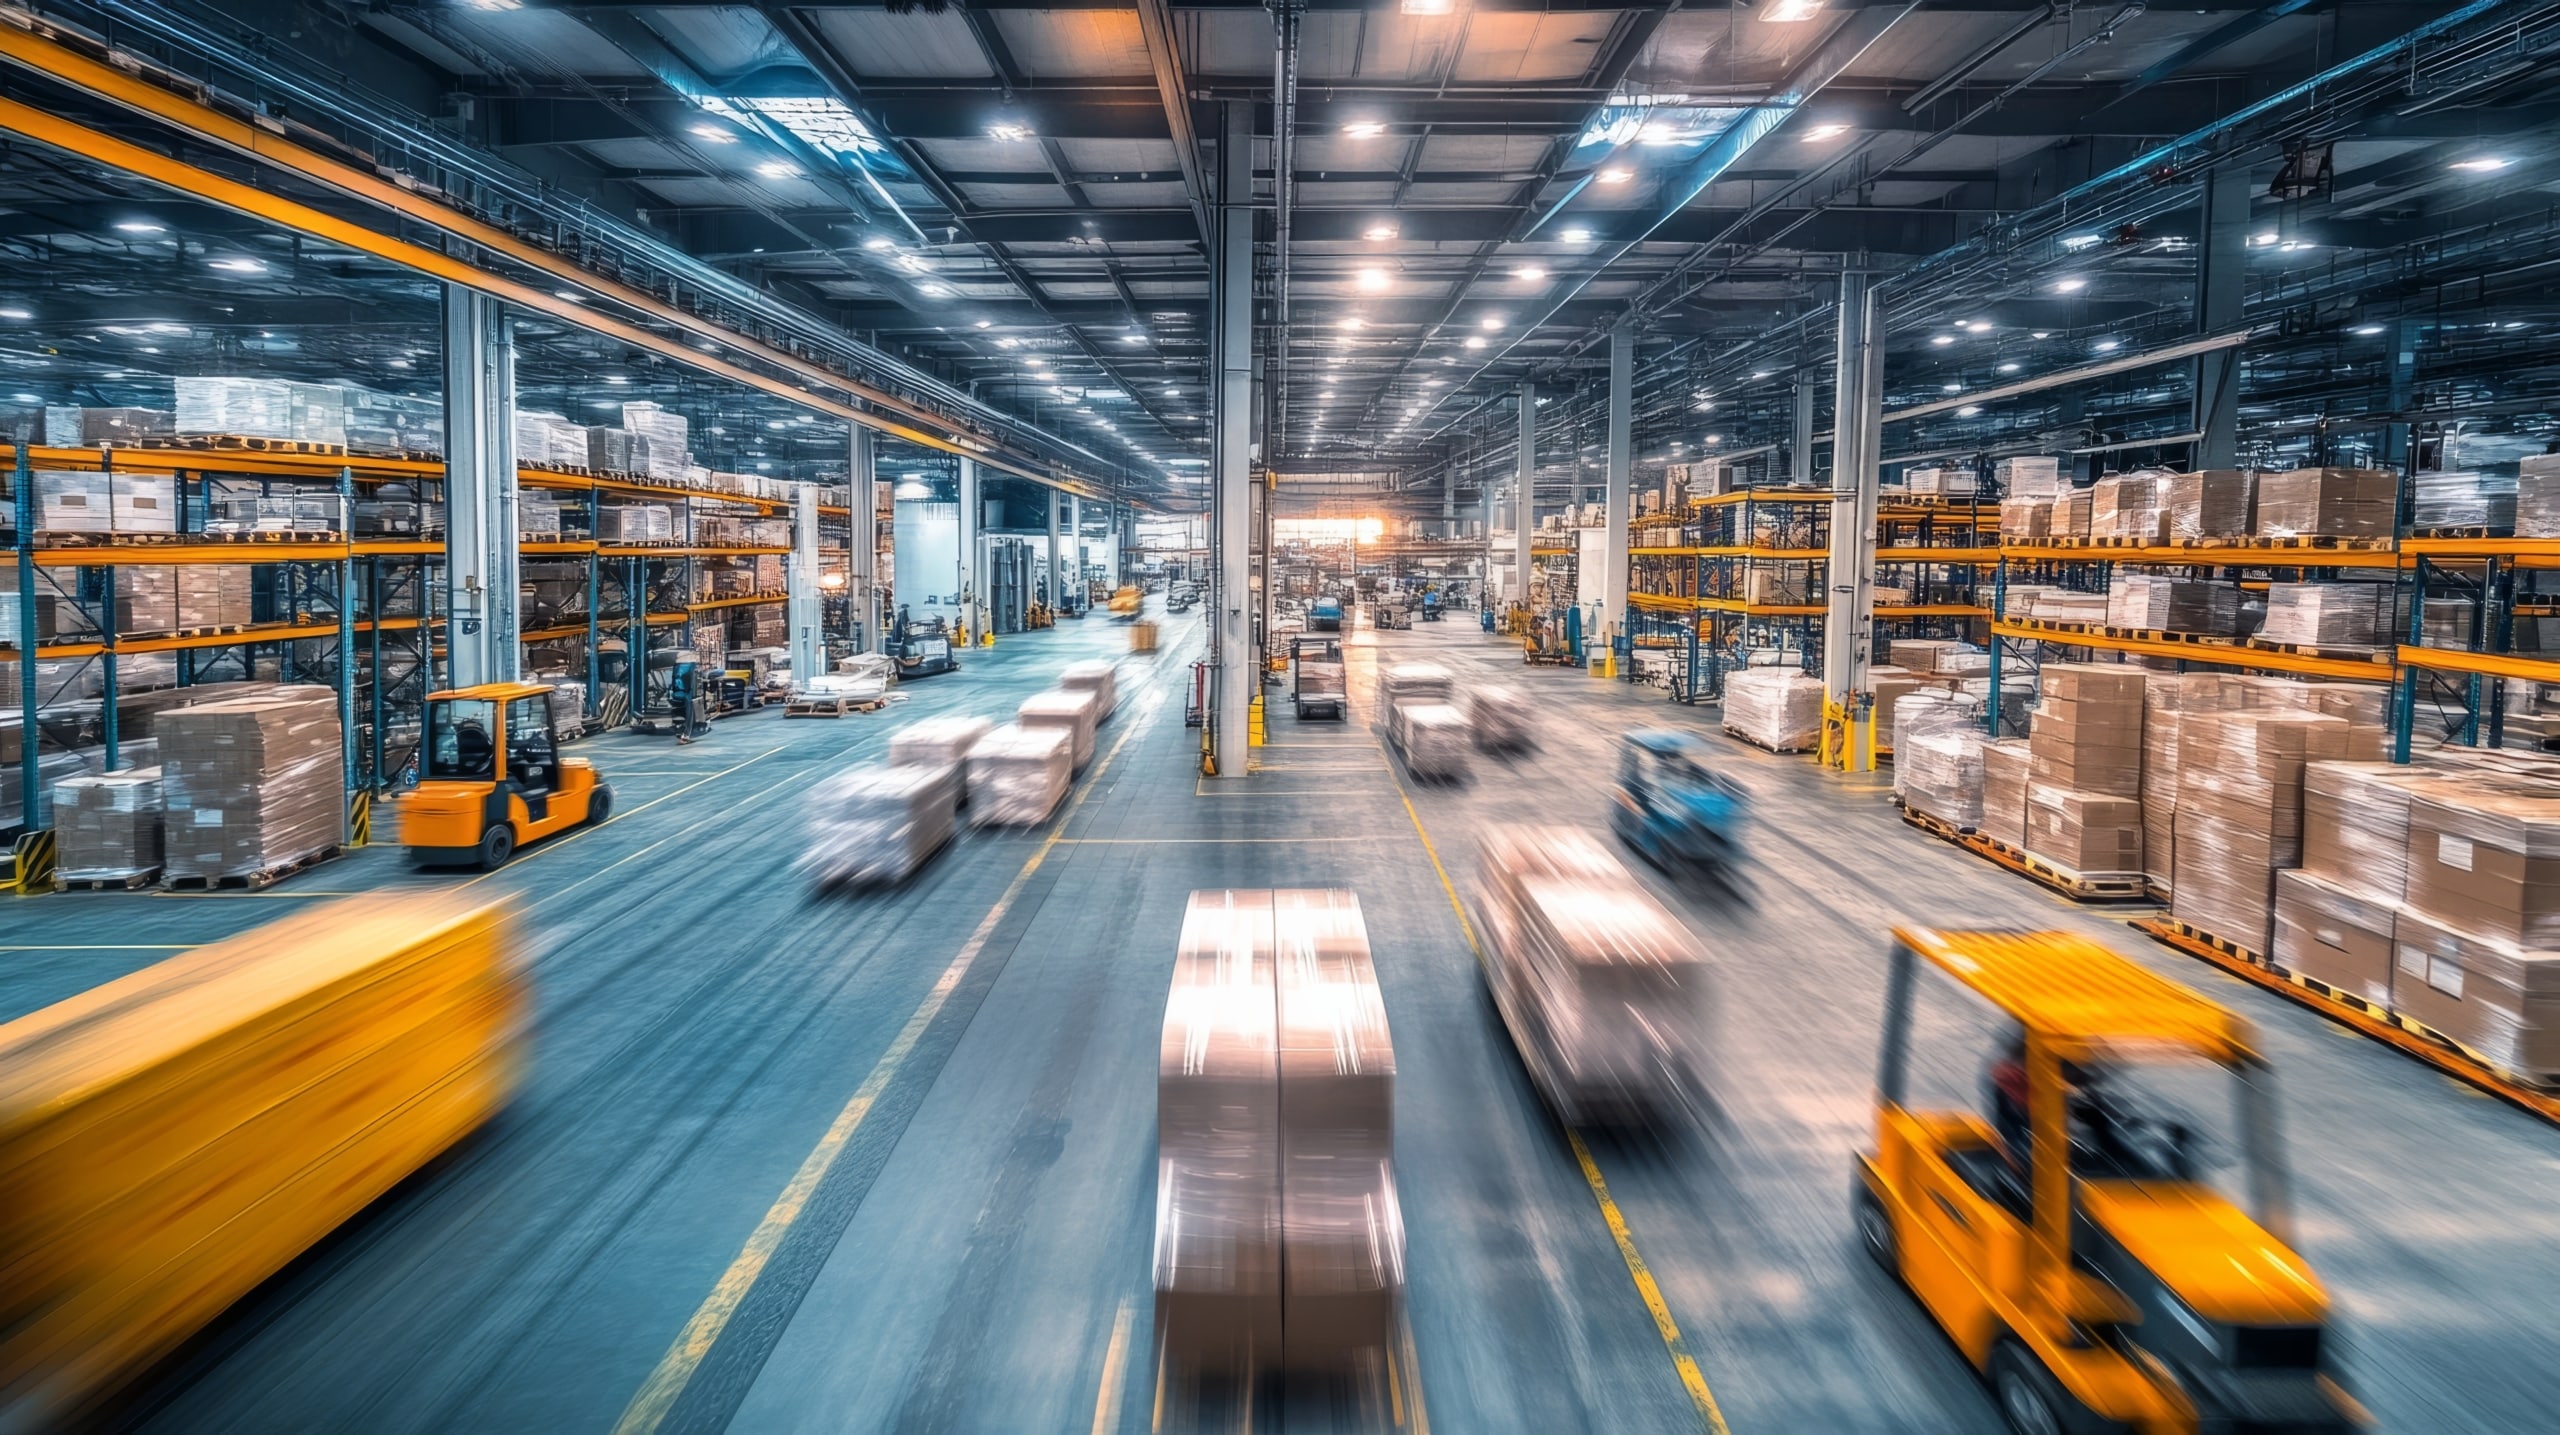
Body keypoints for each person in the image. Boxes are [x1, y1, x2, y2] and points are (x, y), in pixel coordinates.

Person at [669, 660, 698, 745]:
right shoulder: (687, 669)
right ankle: (685, 734)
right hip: (687, 695)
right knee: (689, 711)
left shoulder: (678, 670)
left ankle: (684, 733)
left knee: (686, 711)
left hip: (681, 694)